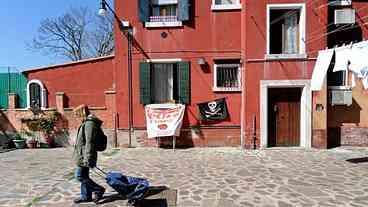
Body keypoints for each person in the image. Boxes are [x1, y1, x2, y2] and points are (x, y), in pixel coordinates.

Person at [72, 104, 105, 203]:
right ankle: (86, 196)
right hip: (83, 154)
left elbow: (89, 141)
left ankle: (98, 189)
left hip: (85, 155)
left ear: (81, 113)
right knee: (84, 175)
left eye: (77, 115)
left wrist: (88, 158)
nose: (76, 117)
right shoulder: (86, 123)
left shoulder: (89, 124)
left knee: (79, 176)